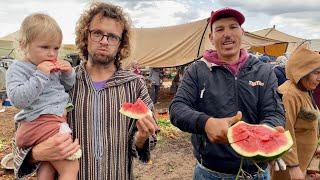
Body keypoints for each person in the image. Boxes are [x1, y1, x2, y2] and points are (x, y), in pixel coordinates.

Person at [13, 2, 158, 180]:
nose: (104, 41)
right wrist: (36, 153)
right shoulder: (60, 80)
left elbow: (150, 141)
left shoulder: (135, 85)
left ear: (121, 44)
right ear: (85, 36)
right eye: (97, 33)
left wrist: (142, 138)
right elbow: (21, 136)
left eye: (112, 37)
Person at [169, 7, 285, 179]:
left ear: (242, 33)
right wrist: (206, 123)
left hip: (257, 173)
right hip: (210, 173)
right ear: (211, 37)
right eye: (220, 29)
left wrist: (265, 131)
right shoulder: (197, 70)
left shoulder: (264, 71)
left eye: (233, 27)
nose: (227, 34)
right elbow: (177, 108)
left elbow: (275, 112)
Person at [6, 13, 79, 179]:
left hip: (48, 122)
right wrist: (40, 75)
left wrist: (68, 73)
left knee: (48, 168)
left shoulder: (50, 66)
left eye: (56, 48)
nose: (52, 54)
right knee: (70, 168)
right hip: (43, 122)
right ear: (24, 45)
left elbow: (67, 87)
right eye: (45, 47)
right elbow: (18, 100)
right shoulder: (18, 69)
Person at [271, 47, 320, 180]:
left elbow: (308, 124)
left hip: (302, 162)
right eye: (316, 73)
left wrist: (315, 146)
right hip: (288, 168)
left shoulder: (305, 90)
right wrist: (293, 166)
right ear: (302, 72)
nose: (319, 78)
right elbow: (285, 132)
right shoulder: (289, 95)